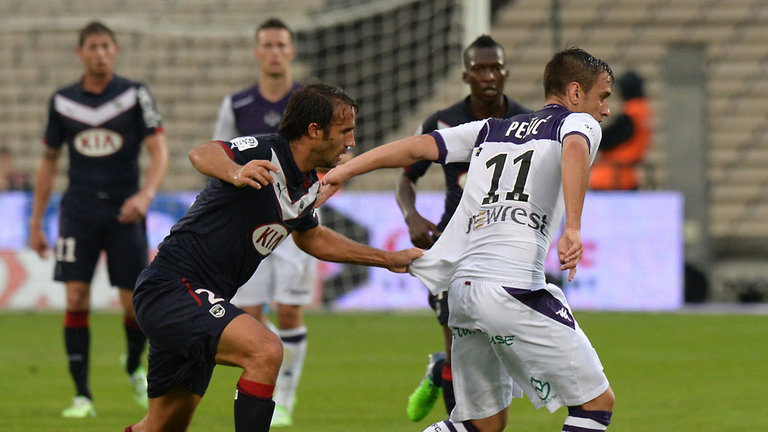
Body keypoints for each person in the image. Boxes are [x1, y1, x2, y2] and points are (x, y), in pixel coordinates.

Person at [319, 47, 616, 432]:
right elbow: (576, 146)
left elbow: (419, 146)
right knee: (595, 404)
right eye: (603, 96)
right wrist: (573, 227)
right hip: (511, 288)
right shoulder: (578, 123)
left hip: (462, 290)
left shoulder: (491, 128)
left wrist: (346, 171)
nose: (605, 109)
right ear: (576, 93)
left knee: (483, 424)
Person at [125, 82, 422, 432]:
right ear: (315, 130)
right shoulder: (264, 151)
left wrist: (388, 259)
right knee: (265, 351)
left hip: (201, 298)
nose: (351, 142)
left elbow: (312, 239)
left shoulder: (309, 185)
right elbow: (202, 153)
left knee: (161, 427)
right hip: (172, 287)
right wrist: (235, 171)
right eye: (345, 131)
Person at [28, 21, 168, 418]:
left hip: (125, 211)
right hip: (79, 211)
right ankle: (82, 395)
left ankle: (131, 365)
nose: (100, 53)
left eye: (106, 46)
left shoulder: (134, 94)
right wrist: (37, 222)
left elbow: (160, 150)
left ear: (115, 49)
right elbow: (49, 162)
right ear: (81, 53)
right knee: (75, 297)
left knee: (133, 305)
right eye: (93, 46)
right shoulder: (62, 101)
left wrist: (145, 195)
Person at [395, 35, 530, 422]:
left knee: (494, 348)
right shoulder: (442, 121)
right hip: (451, 250)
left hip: (499, 252)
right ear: (466, 76)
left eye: (494, 68)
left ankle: (441, 372)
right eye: (479, 69)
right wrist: (411, 216)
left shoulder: (525, 123)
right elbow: (406, 178)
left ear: (505, 73)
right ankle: (459, 414)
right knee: (458, 341)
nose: (488, 76)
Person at [212, 17, 309, 427]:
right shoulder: (237, 105)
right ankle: (262, 388)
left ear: (290, 51)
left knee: (289, 312)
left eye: (280, 45)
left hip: (292, 223)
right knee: (248, 316)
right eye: (267, 44)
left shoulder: (307, 104)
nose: (273, 51)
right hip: (249, 228)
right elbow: (218, 160)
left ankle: (285, 397)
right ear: (257, 51)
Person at [588, 69, 652, 190]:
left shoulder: (631, 115)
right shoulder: (644, 111)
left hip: (613, 178)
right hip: (629, 176)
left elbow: (606, 139)